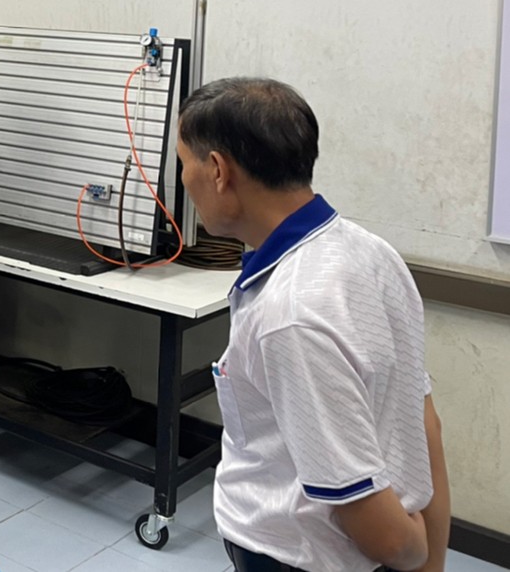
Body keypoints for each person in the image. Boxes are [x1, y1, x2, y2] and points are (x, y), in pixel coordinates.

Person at [177, 77, 450, 572]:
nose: (182, 179)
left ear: (217, 170)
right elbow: (422, 420)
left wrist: (416, 553)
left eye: (183, 163)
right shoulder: (373, 253)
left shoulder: (290, 316)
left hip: (295, 558)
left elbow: (391, 540)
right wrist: (432, 563)